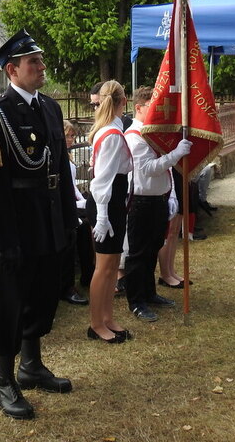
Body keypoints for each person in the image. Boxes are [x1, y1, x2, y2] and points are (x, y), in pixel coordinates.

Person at [0, 29, 77, 419]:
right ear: (12, 70)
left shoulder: (50, 108)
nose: (41, 66)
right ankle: (3, 382)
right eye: (33, 62)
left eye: (40, 60)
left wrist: (68, 219)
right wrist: (5, 239)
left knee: (41, 295)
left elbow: (61, 169)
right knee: (10, 303)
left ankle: (32, 365)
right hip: (15, 223)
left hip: (47, 218)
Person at [123, 86, 191, 322]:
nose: (157, 112)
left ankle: (149, 293)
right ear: (139, 108)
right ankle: (136, 301)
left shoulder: (152, 134)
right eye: (152, 107)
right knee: (138, 253)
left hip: (158, 199)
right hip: (141, 202)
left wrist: (170, 196)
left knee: (153, 249)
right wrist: (175, 155)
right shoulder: (134, 136)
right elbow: (148, 169)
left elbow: (164, 170)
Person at [86, 80, 133, 342]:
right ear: (123, 102)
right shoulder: (112, 134)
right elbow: (101, 181)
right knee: (104, 267)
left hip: (113, 201)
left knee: (113, 264)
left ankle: (107, 317)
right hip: (106, 202)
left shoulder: (111, 130)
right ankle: (96, 323)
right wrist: (103, 217)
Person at [60, 119, 90, 305]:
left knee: (88, 224)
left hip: (73, 203)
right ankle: (68, 286)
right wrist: (77, 204)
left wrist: (83, 202)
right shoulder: (57, 155)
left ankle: (88, 274)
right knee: (80, 230)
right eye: (67, 136)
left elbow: (72, 186)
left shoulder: (68, 156)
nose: (71, 139)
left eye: (72, 136)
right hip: (64, 207)